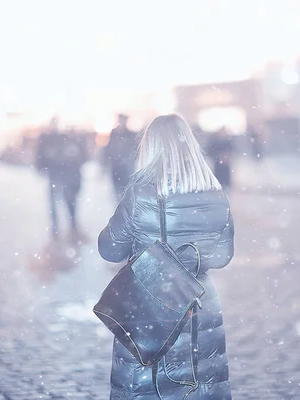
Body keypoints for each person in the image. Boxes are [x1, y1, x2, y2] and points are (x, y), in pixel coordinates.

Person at [98, 114, 234, 399]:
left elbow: (109, 249)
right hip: (200, 304)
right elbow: (222, 256)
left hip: (150, 307)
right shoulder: (216, 194)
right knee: (200, 385)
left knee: (147, 387)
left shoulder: (140, 195)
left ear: (151, 148)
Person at [36, 120, 89, 240]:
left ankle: (68, 226)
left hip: (65, 174)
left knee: (66, 200)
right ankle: (62, 226)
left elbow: (82, 157)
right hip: (57, 173)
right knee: (60, 201)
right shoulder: (53, 139)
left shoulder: (69, 140)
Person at [103, 114, 136, 199]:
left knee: (125, 188)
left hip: (126, 167)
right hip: (115, 166)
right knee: (116, 188)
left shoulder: (130, 135)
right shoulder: (114, 134)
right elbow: (108, 148)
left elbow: (134, 150)